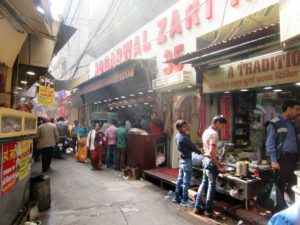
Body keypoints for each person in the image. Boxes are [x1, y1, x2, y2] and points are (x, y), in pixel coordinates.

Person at [266, 99, 300, 208]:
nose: (298, 111)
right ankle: (277, 210)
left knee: (292, 185)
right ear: (289, 109)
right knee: (280, 186)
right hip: (282, 159)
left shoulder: (292, 124)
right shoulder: (275, 122)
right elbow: (270, 143)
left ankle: (290, 209)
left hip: (293, 159)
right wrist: (274, 161)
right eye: (296, 109)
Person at [194, 115, 227, 217]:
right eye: (222, 125)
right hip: (211, 162)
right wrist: (218, 166)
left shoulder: (206, 132)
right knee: (211, 187)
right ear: (217, 122)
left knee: (203, 184)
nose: (222, 127)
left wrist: (217, 160)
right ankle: (208, 210)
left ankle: (197, 207)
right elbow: (212, 152)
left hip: (205, 160)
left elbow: (207, 150)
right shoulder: (214, 134)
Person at [172, 120, 202, 207]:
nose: (186, 128)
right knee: (186, 182)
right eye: (184, 127)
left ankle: (176, 197)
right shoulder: (184, 138)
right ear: (179, 128)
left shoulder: (177, 136)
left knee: (179, 180)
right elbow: (193, 147)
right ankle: (184, 200)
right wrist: (200, 151)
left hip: (181, 160)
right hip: (187, 161)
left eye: (186, 126)